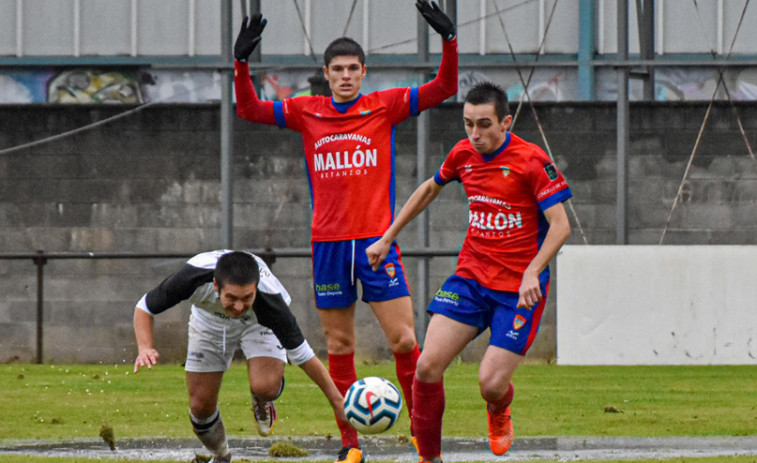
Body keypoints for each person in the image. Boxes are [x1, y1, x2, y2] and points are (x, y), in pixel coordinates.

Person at [232, 3, 458, 463]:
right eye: (338, 69)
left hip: (377, 244)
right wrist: (241, 64)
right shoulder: (305, 111)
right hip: (330, 247)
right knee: (340, 345)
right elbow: (249, 108)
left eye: (354, 68)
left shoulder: (384, 106)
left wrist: (449, 42)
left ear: (364, 72)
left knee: (406, 342)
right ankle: (351, 444)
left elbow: (445, 88)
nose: (347, 76)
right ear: (327, 73)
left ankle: (421, 435)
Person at [366, 82, 572, 462]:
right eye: (467, 124)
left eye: (484, 124)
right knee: (426, 367)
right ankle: (430, 458)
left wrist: (533, 272)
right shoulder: (463, 154)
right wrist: (386, 237)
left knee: (491, 384)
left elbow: (561, 226)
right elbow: (430, 189)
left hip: (517, 289)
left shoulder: (531, 160)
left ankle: (499, 408)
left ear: (506, 122)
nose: (474, 135)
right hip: (472, 278)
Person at [133, 250, 347, 463]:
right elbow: (145, 307)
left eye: (247, 297)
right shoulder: (192, 277)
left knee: (266, 387)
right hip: (209, 321)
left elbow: (303, 356)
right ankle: (221, 456)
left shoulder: (271, 302)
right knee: (200, 408)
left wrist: (338, 402)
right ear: (216, 285)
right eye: (231, 298)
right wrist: (145, 347)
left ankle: (262, 398)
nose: (238, 306)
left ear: (255, 288)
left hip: (257, 323)